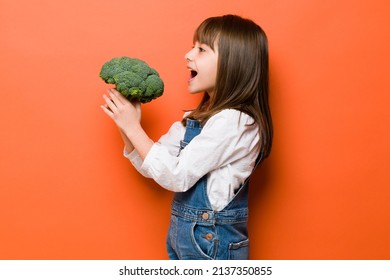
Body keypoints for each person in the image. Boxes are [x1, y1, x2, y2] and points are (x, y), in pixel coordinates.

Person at [101, 14, 273, 260]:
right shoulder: (198, 117)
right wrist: (127, 125)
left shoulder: (235, 122)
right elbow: (155, 166)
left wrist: (134, 129)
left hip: (211, 244)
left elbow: (176, 176)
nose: (188, 55)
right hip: (187, 239)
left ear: (233, 63)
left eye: (201, 49)